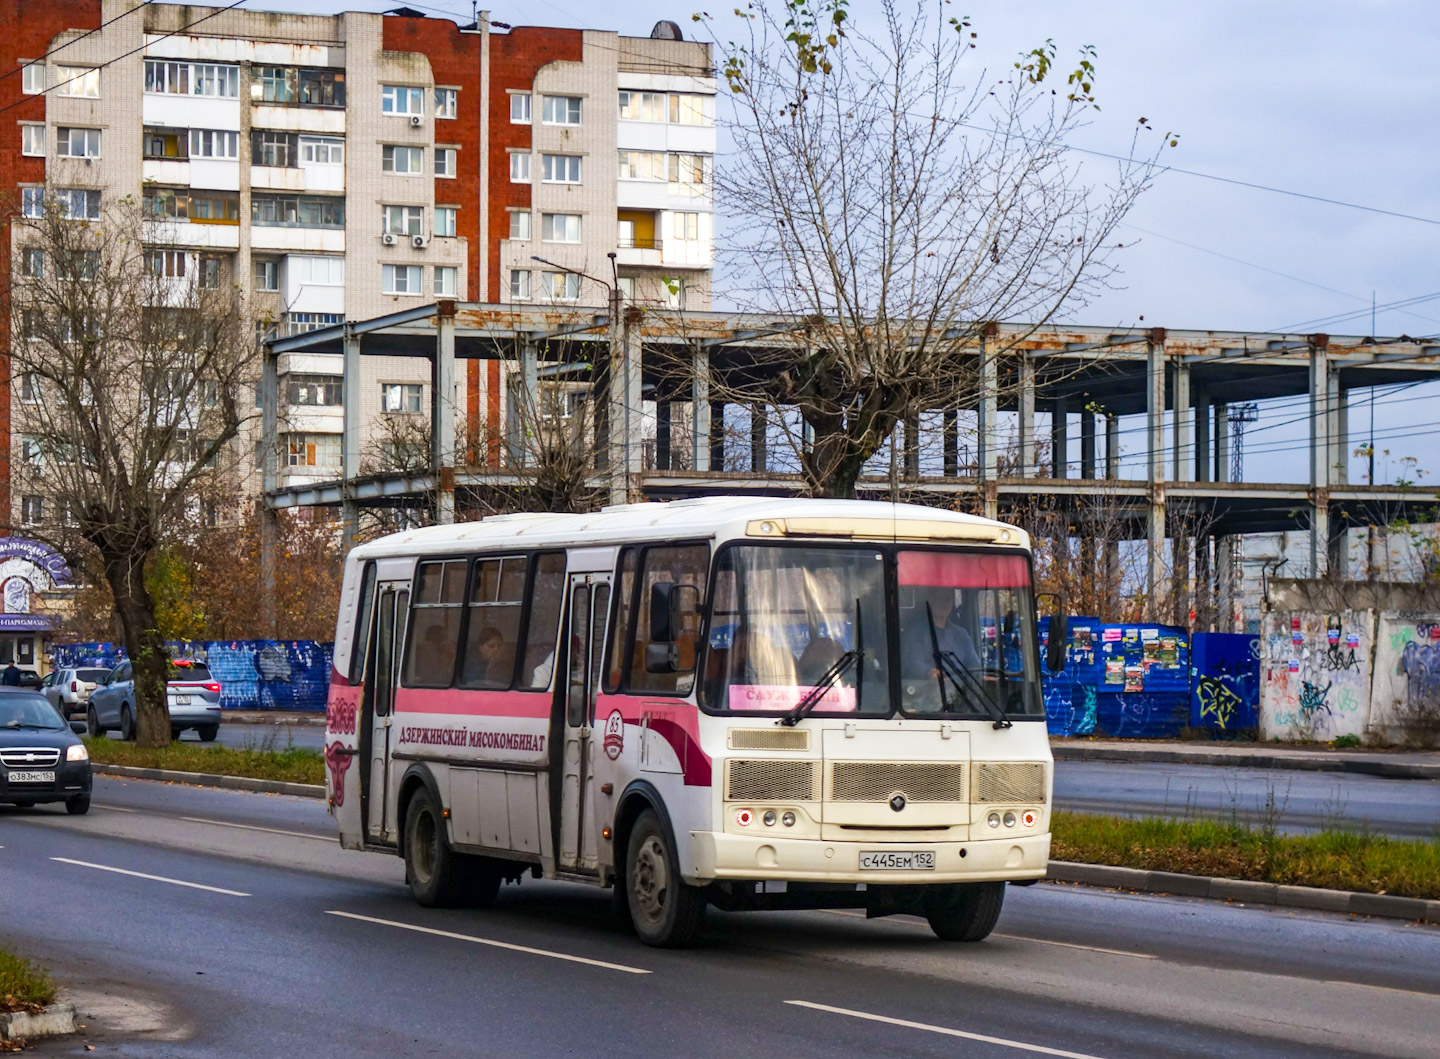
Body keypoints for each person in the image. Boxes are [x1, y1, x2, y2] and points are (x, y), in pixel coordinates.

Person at [901, 587, 980, 686]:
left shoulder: (961, 634)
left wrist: (982, 677)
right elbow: (912, 664)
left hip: (961, 694)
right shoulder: (915, 632)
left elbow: (974, 665)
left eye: (948, 599)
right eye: (939, 598)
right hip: (925, 693)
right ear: (930, 600)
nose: (944, 604)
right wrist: (930, 672)